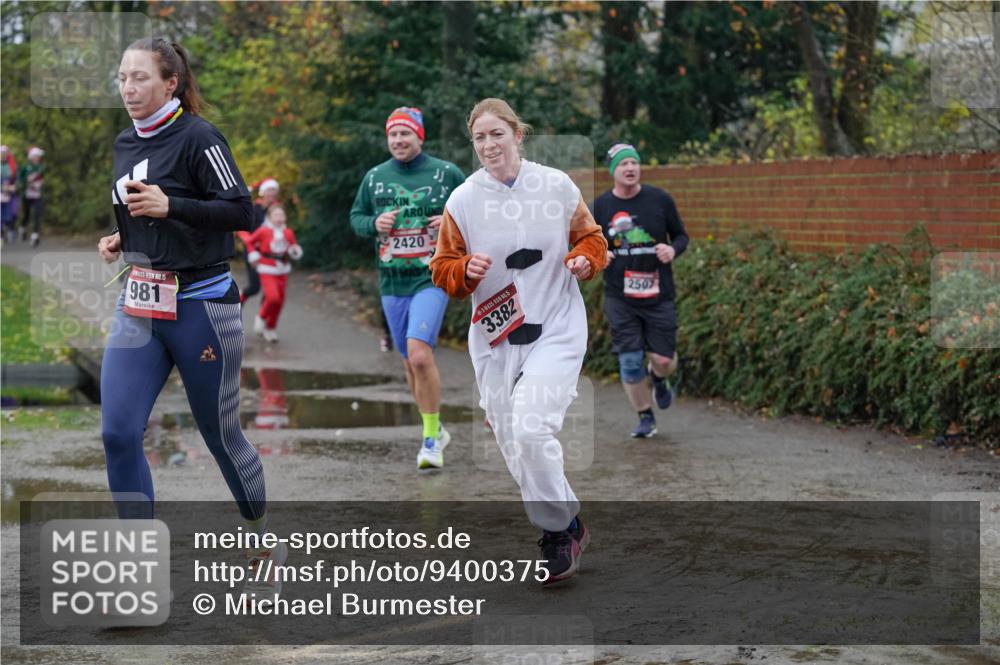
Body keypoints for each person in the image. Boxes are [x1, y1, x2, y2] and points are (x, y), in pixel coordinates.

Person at [96, 37, 285, 594]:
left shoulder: (199, 137)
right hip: (140, 301)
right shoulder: (125, 141)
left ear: (169, 83)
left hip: (201, 303)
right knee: (117, 432)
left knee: (220, 434)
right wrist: (120, 237)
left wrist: (170, 205)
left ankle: (260, 540)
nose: (128, 88)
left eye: (140, 78)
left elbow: (240, 211)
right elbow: (141, 213)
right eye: (123, 78)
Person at [430, 98, 608, 585]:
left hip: (555, 327)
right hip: (493, 342)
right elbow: (442, 269)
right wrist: (463, 270)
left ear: (517, 135)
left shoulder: (555, 185)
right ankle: (568, 521)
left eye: (496, 135)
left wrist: (585, 261)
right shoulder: (463, 200)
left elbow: (592, 239)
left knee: (531, 431)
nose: (489, 146)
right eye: (480, 138)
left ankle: (558, 533)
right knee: (514, 442)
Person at [350, 106, 465, 469]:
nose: (398, 141)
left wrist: (450, 219)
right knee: (408, 363)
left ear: (420, 137)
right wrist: (374, 222)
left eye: (405, 134)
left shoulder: (447, 174)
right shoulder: (375, 178)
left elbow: (478, 212)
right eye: (393, 135)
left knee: (419, 355)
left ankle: (430, 440)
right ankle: (435, 426)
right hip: (392, 281)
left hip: (432, 277)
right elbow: (356, 219)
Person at [592, 143, 688, 438]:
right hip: (620, 296)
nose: (631, 168)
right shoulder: (601, 207)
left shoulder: (659, 200)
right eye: (623, 164)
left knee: (663, 360)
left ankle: (658, 379)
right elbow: (586, 243)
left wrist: (672, 250)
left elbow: (682, 236)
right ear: (613, 171)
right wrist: (599, 254)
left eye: (634, 162)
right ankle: (645, 417)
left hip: (659, 294)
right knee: (630, 361)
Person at [246, 203, 303, 343]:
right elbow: (249, 242)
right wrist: (253, 254)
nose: (279, 218)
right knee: (272, 297)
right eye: (276, 215)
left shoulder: (288, 232)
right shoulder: (263, 231)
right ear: (269, 217)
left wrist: (294, 250)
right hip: (267, 268)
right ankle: (261, 316)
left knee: (280, 301)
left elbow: (292, 246)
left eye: (281, 215)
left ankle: (270, 328)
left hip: (282, 269)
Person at [238, 177, 279, 315]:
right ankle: (238, 301)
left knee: (270, 290)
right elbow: (242, 230)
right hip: (253, 253)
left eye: (274, 190)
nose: (272, 193)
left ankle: (262, 318)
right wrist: (251, 244)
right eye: (269, 190)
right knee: (255, 287)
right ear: (263, 192)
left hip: (270, 254)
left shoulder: (277, 210)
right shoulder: (254, 209)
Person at [18, 146, 45, 247]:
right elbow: (20, 180)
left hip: (37, 194)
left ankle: (35, 234)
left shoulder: (41, 167)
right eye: (36, 156)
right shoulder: (25, 167)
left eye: (39, 156)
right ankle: (23, 227)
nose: (38, 158)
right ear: (32, 157)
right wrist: (26, 180)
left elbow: (42, 178)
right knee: (27, 214)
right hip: (27, 194)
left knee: (37, 213)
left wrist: (41, 182)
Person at [0, 145, 17, 243]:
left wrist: (13, 186)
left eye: (5, 153)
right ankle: (1, 236)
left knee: (8, 215)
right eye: (2, 153)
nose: (3, 155)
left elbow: (15, 179)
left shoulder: (11, 165)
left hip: (8, 195)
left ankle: (8, 230)